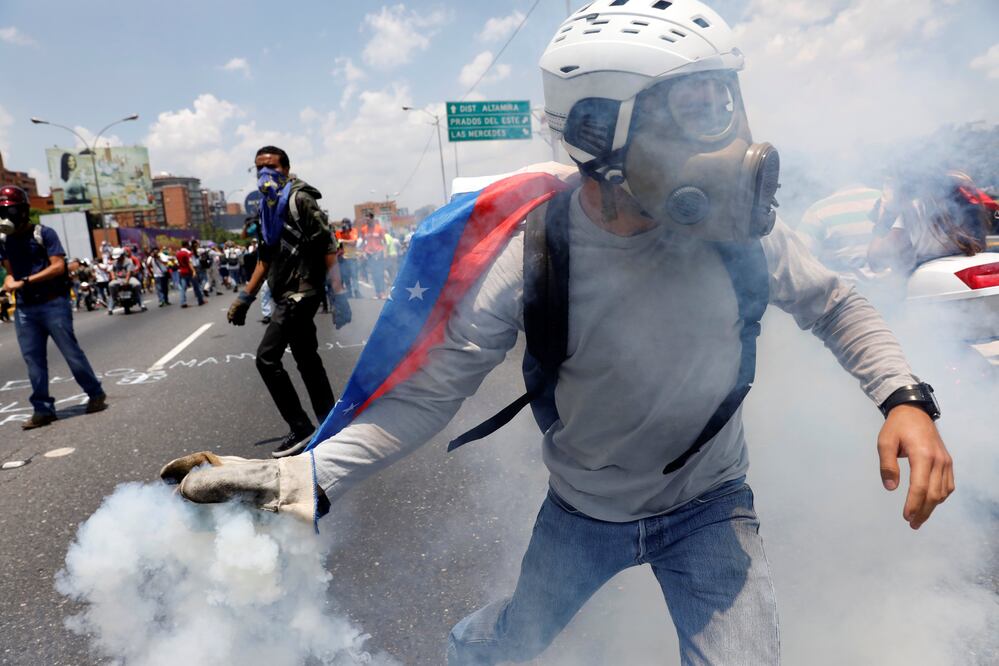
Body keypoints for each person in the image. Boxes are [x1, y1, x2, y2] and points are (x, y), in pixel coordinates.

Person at [161, 4, 954, 664]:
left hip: (712, 506)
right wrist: (306, 477)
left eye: (724, 106)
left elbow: (835, 304)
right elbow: (427, 397)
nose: (726, 143)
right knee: (509, 646)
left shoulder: (735, 231)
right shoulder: (534, 255)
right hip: (582, 516)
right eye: (691, 112)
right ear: (597, 131)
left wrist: (904, 399)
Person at [224, 145, 352, 457]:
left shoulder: (299, 199)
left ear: (285, 168)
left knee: (266, 358)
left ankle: (301, 427)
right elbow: (264, 258)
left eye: (271, 167)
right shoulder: (268, 208)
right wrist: (244, 298)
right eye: (259, 168)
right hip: (283, 292)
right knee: (307, 359)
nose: (264, 174)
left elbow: (328, 248)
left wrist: (340, 295)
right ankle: (327, 424)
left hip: (302, 293)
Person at [0, 185, 107, 429]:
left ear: (23, 210)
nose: (6, 216)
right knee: (33, 361)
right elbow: (9, 272)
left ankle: (95, 394)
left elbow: (58, 266)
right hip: (26, 308)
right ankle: (42, 409)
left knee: (71, 353)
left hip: (53, 304)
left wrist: (26, 280)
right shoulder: (5, 241)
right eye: (2, 211)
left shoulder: (44, 234)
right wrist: (9, 282)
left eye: (11, 210)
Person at [868, 170, 993, 275]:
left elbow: (877, 262)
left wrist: (885, 211)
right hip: (966, 274)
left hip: (924, 288)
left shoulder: (912, 210)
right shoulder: (963, 196)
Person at [108, 247, 146, 314]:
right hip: (119, 279)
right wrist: (113, 277)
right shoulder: (115, 262)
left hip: (129, 278)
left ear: (122, 255)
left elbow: (129, 272)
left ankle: (141, 304)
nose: (117, 258)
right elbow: (112, 270)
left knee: (137, 284)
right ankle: (112, 305)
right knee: (111, 285)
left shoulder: (128, 261)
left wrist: (126, 281)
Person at [360, 212, 387, 298]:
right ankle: (377, 293)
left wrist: (384, 253)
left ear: (372, 219)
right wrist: (363, 252)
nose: (367, 221)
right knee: (374, 274)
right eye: (366, 219)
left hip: (379, 253)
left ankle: (382, 293)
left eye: (368, 219)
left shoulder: (379, 228)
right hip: (369, 254)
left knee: (380, 273)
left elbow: (385, 242)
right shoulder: (363, 229)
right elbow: (363, 242)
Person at [335, 218, 361, 298]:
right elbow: (338, 244)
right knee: (346, 277)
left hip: (352, 257)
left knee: (354, 276)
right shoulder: (339, 233)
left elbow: (354, 242)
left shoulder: (353, 231)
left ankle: (357, 292)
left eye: (346, 224)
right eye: (343, 224)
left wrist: (343, 240)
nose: (344, 226)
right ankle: (349, 293)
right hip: (343, 258)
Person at [175, 240, 204, 308]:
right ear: (187, 245)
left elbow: (177, 263)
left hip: (182, 272)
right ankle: (200, 300)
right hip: (189, 271)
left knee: (183, 288)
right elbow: (189, 262)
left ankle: (183, 302)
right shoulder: (187, 253)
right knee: (196, 286)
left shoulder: (178, 253)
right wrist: (193, 271)